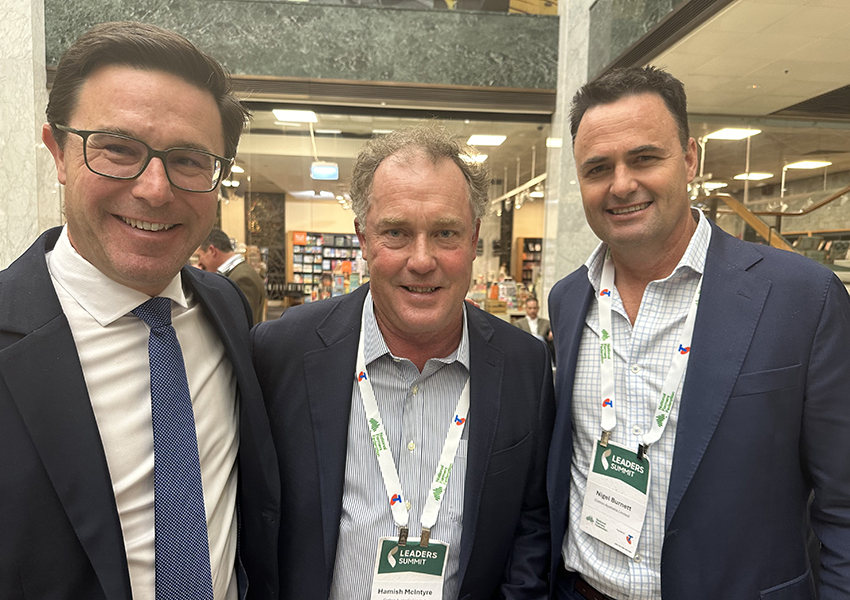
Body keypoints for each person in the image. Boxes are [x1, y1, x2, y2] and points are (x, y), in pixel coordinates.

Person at [547, 65, 850, 600]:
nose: (621, 185)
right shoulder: (570, 300)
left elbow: (843, 505)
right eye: (598, 168)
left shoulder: (803, 297)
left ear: (690, 158)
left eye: (644, 158)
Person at [0, 21, 279, 599]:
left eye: (189, 161)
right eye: (118, 149)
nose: (155, 189)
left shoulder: (223, 307)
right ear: (57, 151)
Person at [253, 125, 554, 600]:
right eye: (396, 232)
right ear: (363, 237)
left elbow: (532, 524)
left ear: (474, 239)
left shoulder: (525, 366)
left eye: (445, 233)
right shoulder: (281, 353)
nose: (421, 259)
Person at [196, 228, 267, 323]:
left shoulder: (243, 278)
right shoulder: (234, 273)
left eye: (200, 256)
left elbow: (241, 324)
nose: (199, 262)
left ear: (212, 251)